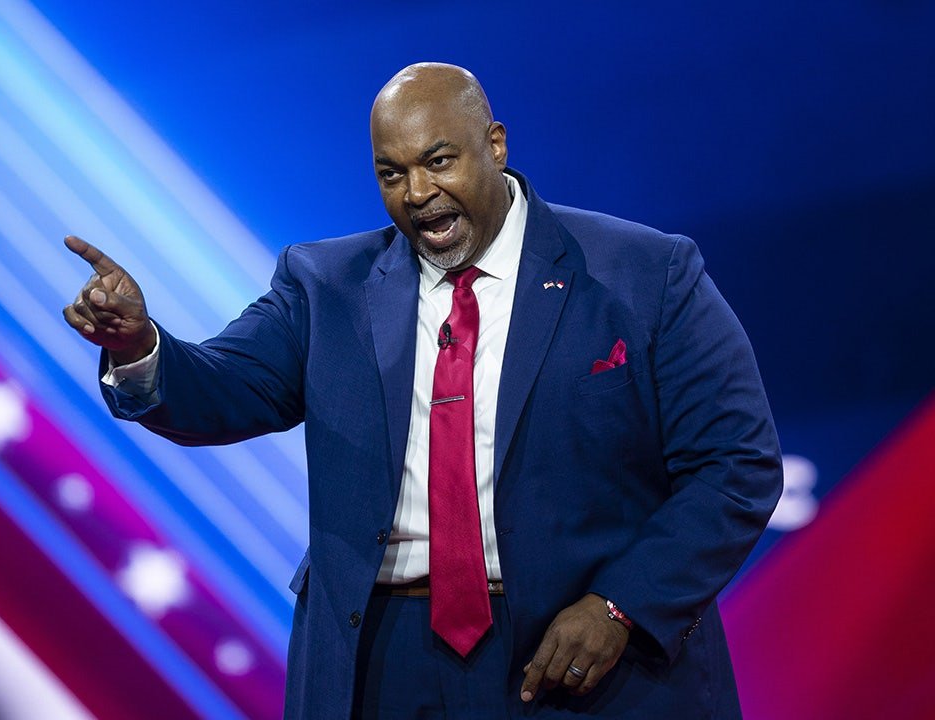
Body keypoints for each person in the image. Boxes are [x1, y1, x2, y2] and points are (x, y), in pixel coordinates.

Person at [63, 62, 781, 719]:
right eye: (392, 173)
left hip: (579, 654)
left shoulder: (645, 274)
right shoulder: (324, 287)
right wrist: (138, 345)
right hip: (382, 658)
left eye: (439, 161)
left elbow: (736, 465)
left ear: (495, 145)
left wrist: (619, 606)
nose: (417, 194)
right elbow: (221, 388)